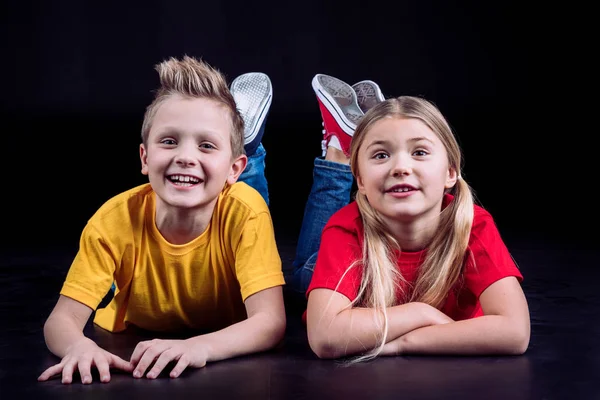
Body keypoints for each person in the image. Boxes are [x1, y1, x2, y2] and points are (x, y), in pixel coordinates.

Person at [38, 56, 286, 384]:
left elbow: (270, 321)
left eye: (206, 145)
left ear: (232, 170)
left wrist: (201, 347)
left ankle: (255, 151)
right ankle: (231, 138)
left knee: (296, 273)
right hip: (136, 329)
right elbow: (60, 321)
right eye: (169, 141)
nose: (184, 156)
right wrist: (78, 347)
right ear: (145, 157)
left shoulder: (246, 212)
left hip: (227, 296)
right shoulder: (111, 221)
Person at [288, 73, 530, 361]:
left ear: (450, 173)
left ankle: (362, 137)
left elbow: (515, 332)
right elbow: (325, 336)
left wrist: (408, 342)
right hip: (331, 253)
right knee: (304, 273)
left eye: (419, 152)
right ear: (361, 182)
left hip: (356, 270)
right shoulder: (346, 228)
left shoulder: (471, 224)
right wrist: (422, 313)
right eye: (381, 155)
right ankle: (335, 151)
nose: (401, 167)